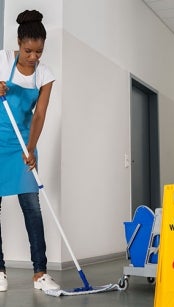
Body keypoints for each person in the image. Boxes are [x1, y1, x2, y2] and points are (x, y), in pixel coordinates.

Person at [0, 10, 60, 292]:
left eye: (39, 51)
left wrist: (32, 149)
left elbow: (39, 116)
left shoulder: (45, 74)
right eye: (28, 50)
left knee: (32, 207)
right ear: (19, 42)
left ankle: (40, 272)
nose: (34, 57)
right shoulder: (3, 60)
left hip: (24, 143)